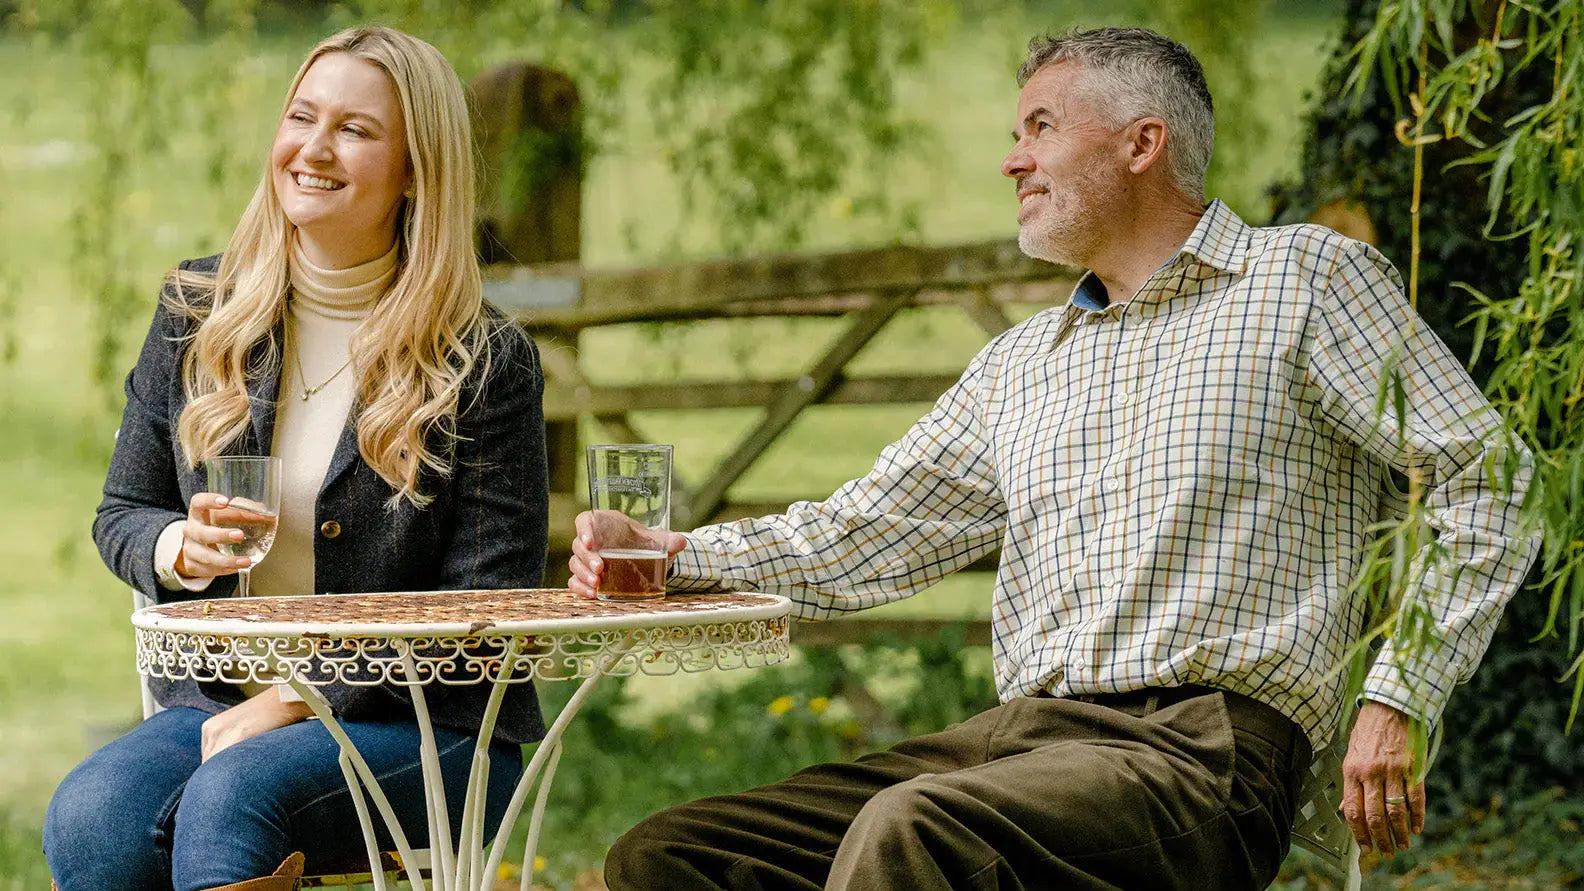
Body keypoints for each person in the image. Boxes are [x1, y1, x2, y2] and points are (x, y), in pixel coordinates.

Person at [569, 26, 1540, 890]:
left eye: (1038, 127)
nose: (1011, 161)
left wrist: (1398, 695)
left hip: (1202, 754)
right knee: (670, 855)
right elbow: (862, 534)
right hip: (1017, 744)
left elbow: (1488, 476)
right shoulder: (1021, 362)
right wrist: (671, 556)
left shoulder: (1305, 281)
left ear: (1141, 141)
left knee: (917, 831)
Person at [44, 26, 549, 891]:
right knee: (92, 816)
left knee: (236, 797)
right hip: (220, 707)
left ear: (417, 169)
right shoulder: (197, 310)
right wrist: (178, 547)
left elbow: (484, 609)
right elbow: (122, 512)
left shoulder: (484, 359)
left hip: (424, 725)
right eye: (302, 117)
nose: (314, 149)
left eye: (355, 130)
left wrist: (298, 700)